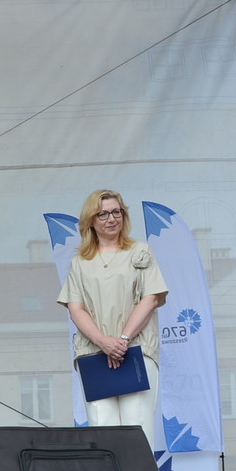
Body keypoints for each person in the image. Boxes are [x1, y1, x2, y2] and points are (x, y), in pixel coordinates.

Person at [57, 189, 170, 452]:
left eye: (116, 212)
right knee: (102, 433)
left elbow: (151, 298)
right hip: (94, 353)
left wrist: (122, 340)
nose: (112, 219)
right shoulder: (80, 262)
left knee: (137, 430)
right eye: (103, 214)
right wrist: (103, 342)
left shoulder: (140, 251)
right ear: (91, 220)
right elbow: (76, 308)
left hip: (136, 350)